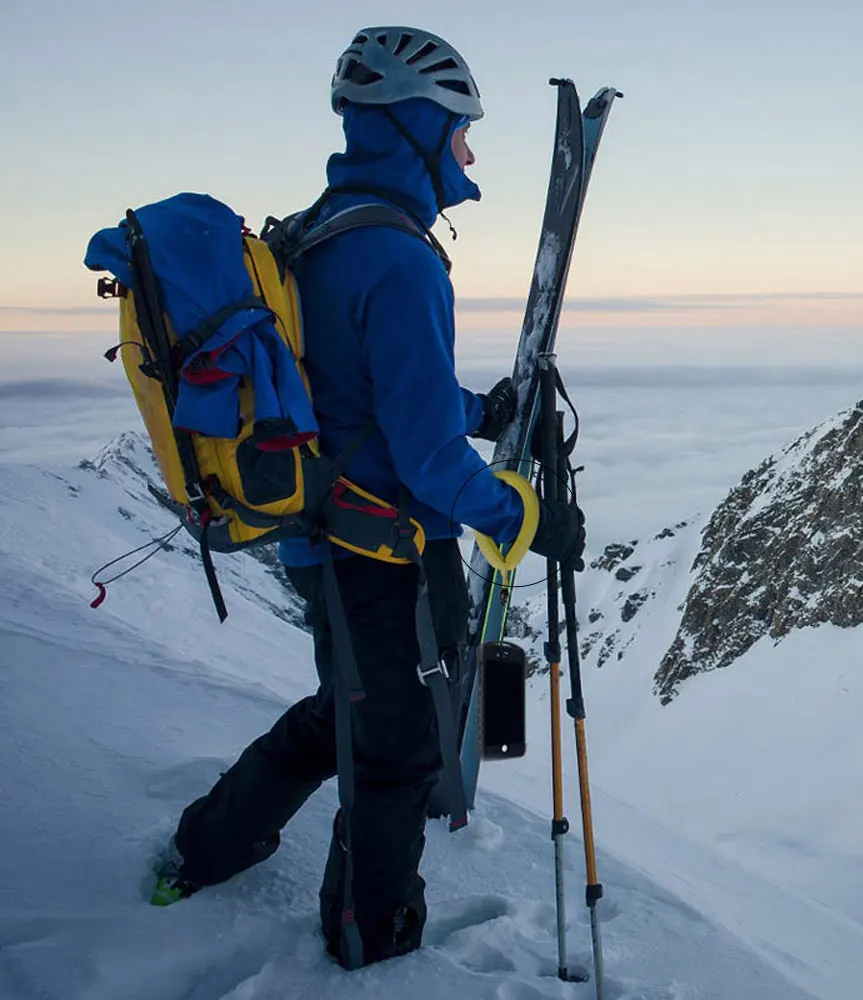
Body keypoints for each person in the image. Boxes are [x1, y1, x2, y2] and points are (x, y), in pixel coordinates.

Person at [154, 25, 586, 968]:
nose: (470, 151)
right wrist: (528, 518)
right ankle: (371, 941)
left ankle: (206, 845)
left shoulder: (319, 232)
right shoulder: (400, 258)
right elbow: (427, 462)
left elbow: (357, 394)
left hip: (318, 540)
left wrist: (484, 411)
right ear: (417, 125)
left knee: (342, 713)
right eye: (461, 129)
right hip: (383, 557)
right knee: (395, 752)